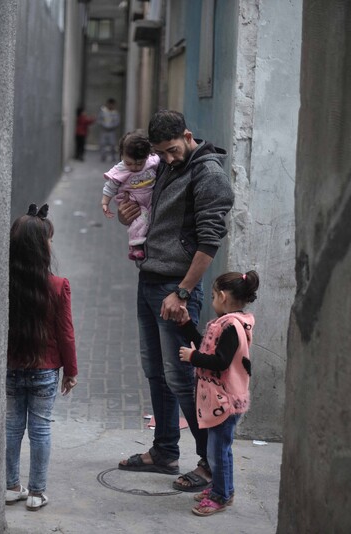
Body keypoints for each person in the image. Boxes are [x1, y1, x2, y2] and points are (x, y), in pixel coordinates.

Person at [116, 110, 234, 494]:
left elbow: (209, 241)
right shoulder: (166, 164)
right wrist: (125, 215)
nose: (167, 159)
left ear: (187, 134)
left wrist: (182, 292)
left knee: (183, 378)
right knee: (156, 372)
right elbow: (148, 213)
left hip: (175, 287)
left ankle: (210, 464)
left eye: (171, 150)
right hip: (149, 279)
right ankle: (165, 450)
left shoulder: (208, 174)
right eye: (161, 153)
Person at [5, 203, 78, 511]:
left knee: (12, 427)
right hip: (45, 370)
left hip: (12, 367)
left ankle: (10, 487)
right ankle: (36, 493)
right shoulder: (58, 286)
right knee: (41, 429)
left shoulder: (5, 284)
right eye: (49, 239)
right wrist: (71, 371)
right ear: (41, 248)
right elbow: (66, 334)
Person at [178, 270, 258, 516]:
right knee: (220, 449)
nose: (212, 300)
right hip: (221, 400)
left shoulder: (231, 326)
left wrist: (193, 358)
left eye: (213, 296)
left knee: (218, 451)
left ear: (222, 296)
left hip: (225, 401)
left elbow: (220, 361)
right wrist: (186, 325)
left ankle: (220, 496)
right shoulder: (230, 323)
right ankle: (224, 489)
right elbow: (207, 344)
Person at [101, 130, 160, 260]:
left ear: (147, 156)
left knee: (149, 220)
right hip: (133, 199)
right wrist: (105, 202)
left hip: (149, 197)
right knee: (140, 220)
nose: (134, 167)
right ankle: (135, 246)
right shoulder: (120, 169)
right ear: (122, 155)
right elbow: (110, 186)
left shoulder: (152, 161)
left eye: (139, 163)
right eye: (129, 163)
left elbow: (160, 159)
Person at [97, 98, 121, 162]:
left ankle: (113, 157)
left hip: (111, 131)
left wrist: (112, 126)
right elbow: (99, 120)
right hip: (104, 130)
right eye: (110, 104)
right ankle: (103, 157)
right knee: (102, 144)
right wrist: (103, 125)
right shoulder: (103, 111)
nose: (111, 106)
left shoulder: (115, 112)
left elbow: (117, 122)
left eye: (112, 105)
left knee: (112, 144)